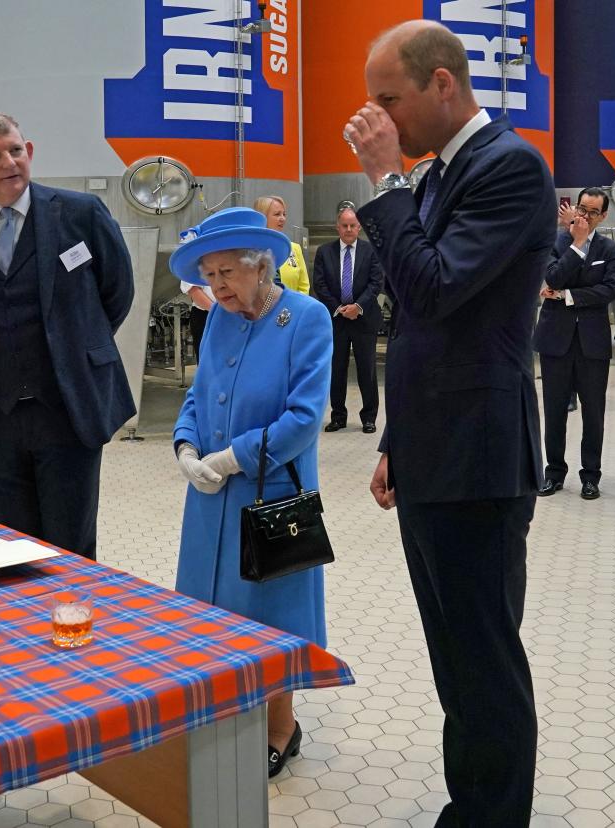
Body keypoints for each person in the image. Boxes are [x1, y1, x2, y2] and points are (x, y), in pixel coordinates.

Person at [347, 20, 555, 826]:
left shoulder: (508, 168)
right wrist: (397, 439)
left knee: (485, 659)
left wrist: (383, 183)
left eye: (389, 98)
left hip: (480, 451)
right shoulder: (439, 176)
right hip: (434, 447)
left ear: (443, 84)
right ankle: (470, 807)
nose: (380, 117)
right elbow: (424, 327)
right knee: (455, 660)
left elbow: (433, 288)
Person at [0, 111, 135, 560]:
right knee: (10, 547)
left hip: (67, 408)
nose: (8, 162)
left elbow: (117, 292)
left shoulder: (81, 214)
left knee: (71, 545)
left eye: (16, 150)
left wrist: (74, 347)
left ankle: (74, 626)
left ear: (30, 151)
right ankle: (26, 631)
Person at [169, 207, 332, 780]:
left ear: (261, 267)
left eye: (227, 274)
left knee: (271, 614)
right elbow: (199, 391)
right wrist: (186, 447)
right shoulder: (219, 318)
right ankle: (223, 712)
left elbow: (306, 418)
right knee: (210, 608)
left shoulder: (306, 318)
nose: (217, 287)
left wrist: (234, 455)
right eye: (209, 276)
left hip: (268, 496)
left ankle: (281, 726)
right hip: (211, 495)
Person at [534, 187, 615, 499]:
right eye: (581, 208)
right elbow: (553, 277)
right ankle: (554, 472)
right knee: (555, 410)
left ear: (603, 216)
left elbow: (609, 291)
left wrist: (569, 296)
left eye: (592, 212)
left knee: (593, 411)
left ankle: (591, 476)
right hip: (555, 340)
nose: (583, 216)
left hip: (592, 342)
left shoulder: (610, 249)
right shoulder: (556, 242)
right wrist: (579, 244)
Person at [312, 205, 384, 434]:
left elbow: (376, 283)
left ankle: (369, 417)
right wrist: (339, 308)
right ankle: (338, 416)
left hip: (364, 319)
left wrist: (358, 306)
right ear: (337, 227)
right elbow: (319, 285)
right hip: (336, 320)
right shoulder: (325, 252)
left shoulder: (370, 251)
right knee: (337, 369)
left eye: (353, 225)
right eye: (344, 225)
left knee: (367, 370)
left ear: (359, 227)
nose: (349, 229)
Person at [253, 194, 310, 294]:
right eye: (277, 214)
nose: (282, 218)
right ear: (263, 217)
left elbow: (304, 286)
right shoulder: (251, 249)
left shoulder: (293, 248)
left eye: (284, 214)